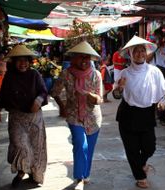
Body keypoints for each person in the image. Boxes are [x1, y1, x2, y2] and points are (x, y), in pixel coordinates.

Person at [114, 35, 165, 188]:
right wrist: (119, 88)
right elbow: (116, 95)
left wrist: (164, 102)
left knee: (149, 147)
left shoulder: (155, 71)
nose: (139, 54)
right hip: (128, 115)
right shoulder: (124, 73)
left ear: (146, 53)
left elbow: (163, 94)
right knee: (132, 149)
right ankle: (140, 177)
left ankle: (141, 164)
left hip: (147, 115)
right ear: (130, 54)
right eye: (135, 51)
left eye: (142, 50)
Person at [51, 41, 103, 190]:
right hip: (74, 116)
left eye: (87, 58)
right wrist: (62, 106)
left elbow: (100, 99)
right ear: (73, 58)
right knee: (81, 144)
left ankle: (85, 175)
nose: (84, 61)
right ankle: (79, 178)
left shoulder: (96, 75)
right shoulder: (66, 74)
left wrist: (92, 97)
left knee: (90, 149)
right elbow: (54, 92)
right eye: (81, 57)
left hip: (93, 118)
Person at [0, 45, 48, 187]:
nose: (23, 63)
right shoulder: (9, 76)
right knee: (20, 145)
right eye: (19, 60)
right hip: (16, 118)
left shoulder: (35, 74)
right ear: (13, 62)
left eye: (25, 60)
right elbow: (3, 95)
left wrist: (38, 101)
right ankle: (21, 171)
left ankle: (34, 175)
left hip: (35, 118)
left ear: (29, 62)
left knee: (36, 148)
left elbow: (43, 91)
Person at [147, 28, 165, 126]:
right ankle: (152, 117)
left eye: (160, 36)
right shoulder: (150, 46)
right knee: (153, 95)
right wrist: (155, 48)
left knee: (164, 95)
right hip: (154, 73)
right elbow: (147, 60)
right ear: (154, 37)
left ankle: (162, 118)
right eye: (157, 37)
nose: (159, 38)